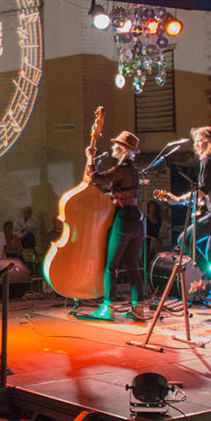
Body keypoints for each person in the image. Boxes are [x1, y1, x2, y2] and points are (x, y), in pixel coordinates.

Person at [159, 126, 211, 280]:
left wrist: (178, 199)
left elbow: (202, 190)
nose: (196, 145)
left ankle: (207, 276)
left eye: (199, 141)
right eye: (196, 142)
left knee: (185, 239)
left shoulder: (208, 160)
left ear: (208, 143)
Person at [85, 131, 147, 321]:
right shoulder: (133, 170)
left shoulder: (122, 168)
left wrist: (90, 157)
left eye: (115, 145)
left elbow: (95, 178)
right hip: (136, 219)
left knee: (111, 266)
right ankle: (138, 308)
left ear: (123, 149)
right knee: (132, 266)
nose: (112, 148)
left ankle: (107, 307)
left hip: (124, 218)